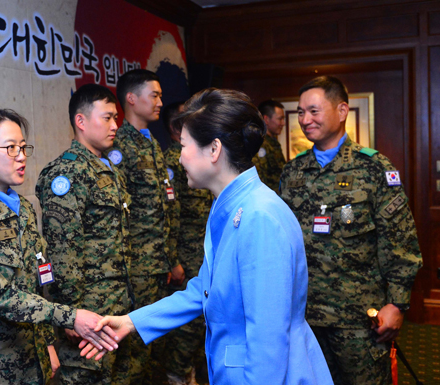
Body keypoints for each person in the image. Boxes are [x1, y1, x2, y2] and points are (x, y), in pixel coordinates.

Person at [85, 88, 334, 385]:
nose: (179, 159)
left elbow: (268, 338)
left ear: (214, 150)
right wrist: (130, 321)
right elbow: (204, 289)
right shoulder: (231, 206)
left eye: (184, 146)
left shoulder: (258, 217)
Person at [0, 109, 119, 385]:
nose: (21, 156)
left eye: (23, 147)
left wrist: (46, 346)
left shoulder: (24, 210)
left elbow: (36, 284)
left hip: (31, 365)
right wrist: (69, 317)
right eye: (10, 148)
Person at [278, 76, 422, 385]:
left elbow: (399, 240)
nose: (305, 120)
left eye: (313, 111)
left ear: (342, 110)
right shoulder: (292, 172)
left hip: (358, 319)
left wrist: (396, 303)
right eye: (300, 112)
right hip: (304, 316)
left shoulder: (373, 169)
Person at [36, 85, 133, 385]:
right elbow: (62, 250)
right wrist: (70, 313)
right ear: (81, 121)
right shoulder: (66, 174)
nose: (115, 125)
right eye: (107, 118)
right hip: (87, 312)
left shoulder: (106, 169)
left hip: (115, 306)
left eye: (116, 118)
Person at [105, 69, 184, 384]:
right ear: (131, 99)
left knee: (157, 347)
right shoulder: (119, 148)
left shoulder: (152, 144)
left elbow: (164, 208)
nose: (160, 102)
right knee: (135, 351)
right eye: (155, 95)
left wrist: (170, 257)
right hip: (137, 268)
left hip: (159, 265)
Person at [162, 101, 212, 385]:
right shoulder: (174, 160)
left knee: (203, 320)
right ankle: (177, 373)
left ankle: (190, 371)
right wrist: (174, 258)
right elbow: (171, 214)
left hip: (203, 251)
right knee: (188, 323)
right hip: (187, 254)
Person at [251, 99, 286, 191]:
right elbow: (260, 179)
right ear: (266, 119)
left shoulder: (273, 143)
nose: (283, 123)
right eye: (280, 119)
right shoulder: (259, 144)